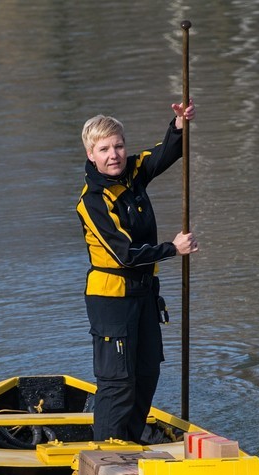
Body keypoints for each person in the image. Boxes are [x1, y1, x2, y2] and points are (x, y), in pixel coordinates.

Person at [77, 99, 197, 442]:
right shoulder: (92, 202)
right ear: (91, 155)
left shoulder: (132, 172)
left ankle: (131, 441)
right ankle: (105, 453)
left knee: (147, 372)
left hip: (144, 293)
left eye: (118, 146)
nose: (113, 155)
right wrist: (172, 248)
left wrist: (179, 124)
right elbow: (124, 255)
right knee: (118, 382)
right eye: (104, 149)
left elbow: (164, 154)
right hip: (111, 300)